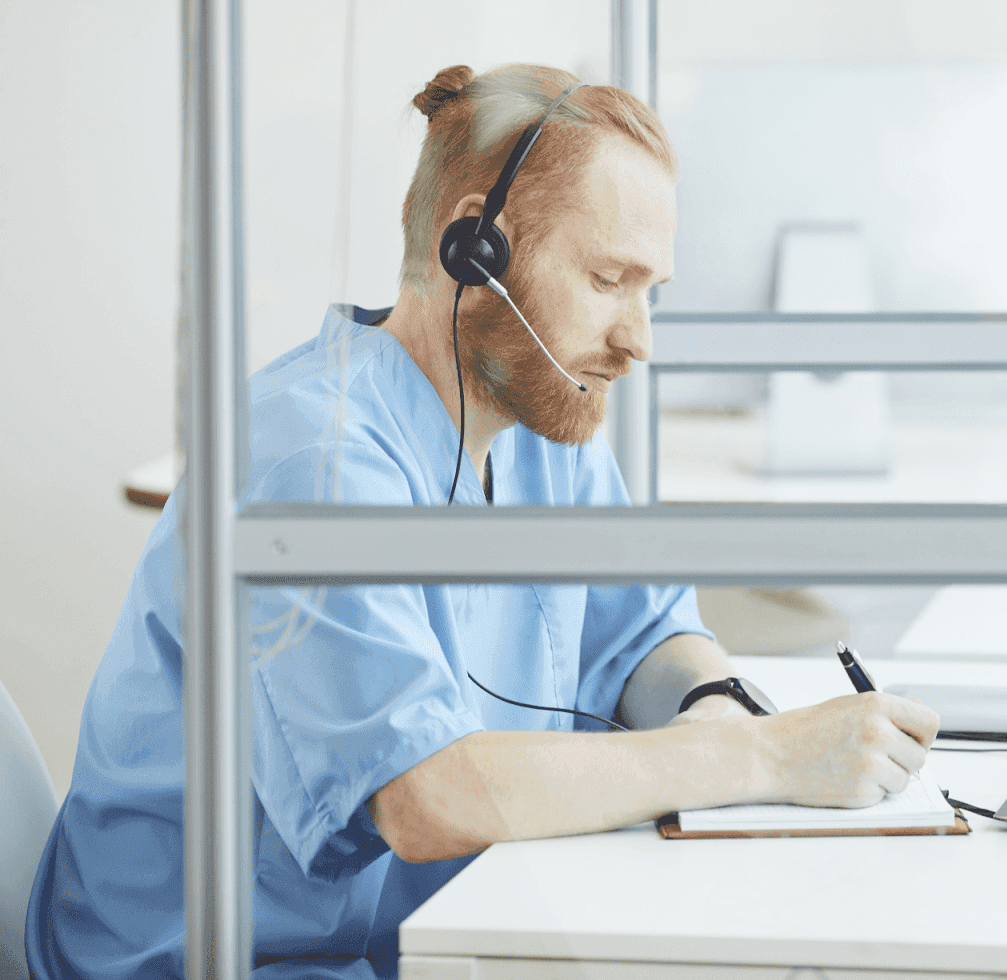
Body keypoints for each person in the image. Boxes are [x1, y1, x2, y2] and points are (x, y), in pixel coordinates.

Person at [26, 64, 939, 980]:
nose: (640, 341)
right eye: (609, 279)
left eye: (650, 290)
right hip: (222, 962)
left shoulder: (544, 419)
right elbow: (428, 798)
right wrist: (759, 758)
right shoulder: (311, 460)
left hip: (424, 938)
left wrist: (713, 705)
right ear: (476, 248)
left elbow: (648, 633)